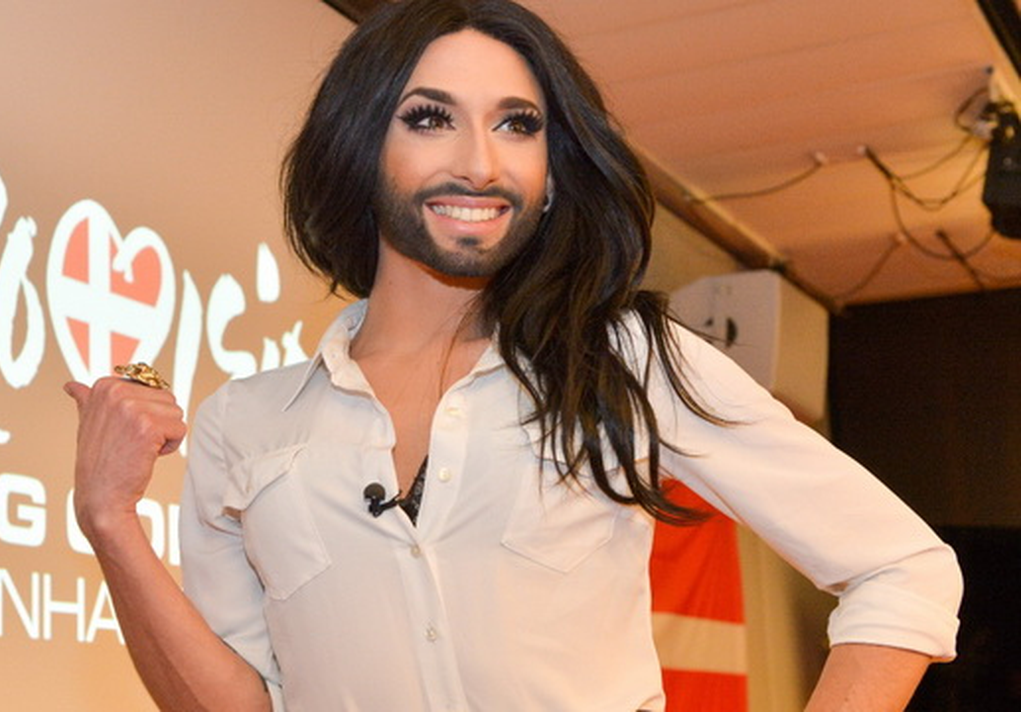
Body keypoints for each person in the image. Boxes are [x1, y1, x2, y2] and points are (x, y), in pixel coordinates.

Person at [64, 1, 962, 710]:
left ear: (552, 171)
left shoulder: (624, 360)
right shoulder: (246, 423)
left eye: (518, 125)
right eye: (430, 118)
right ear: (358, 148)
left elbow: (903, 568)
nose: (481, 163)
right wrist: (109, 518)